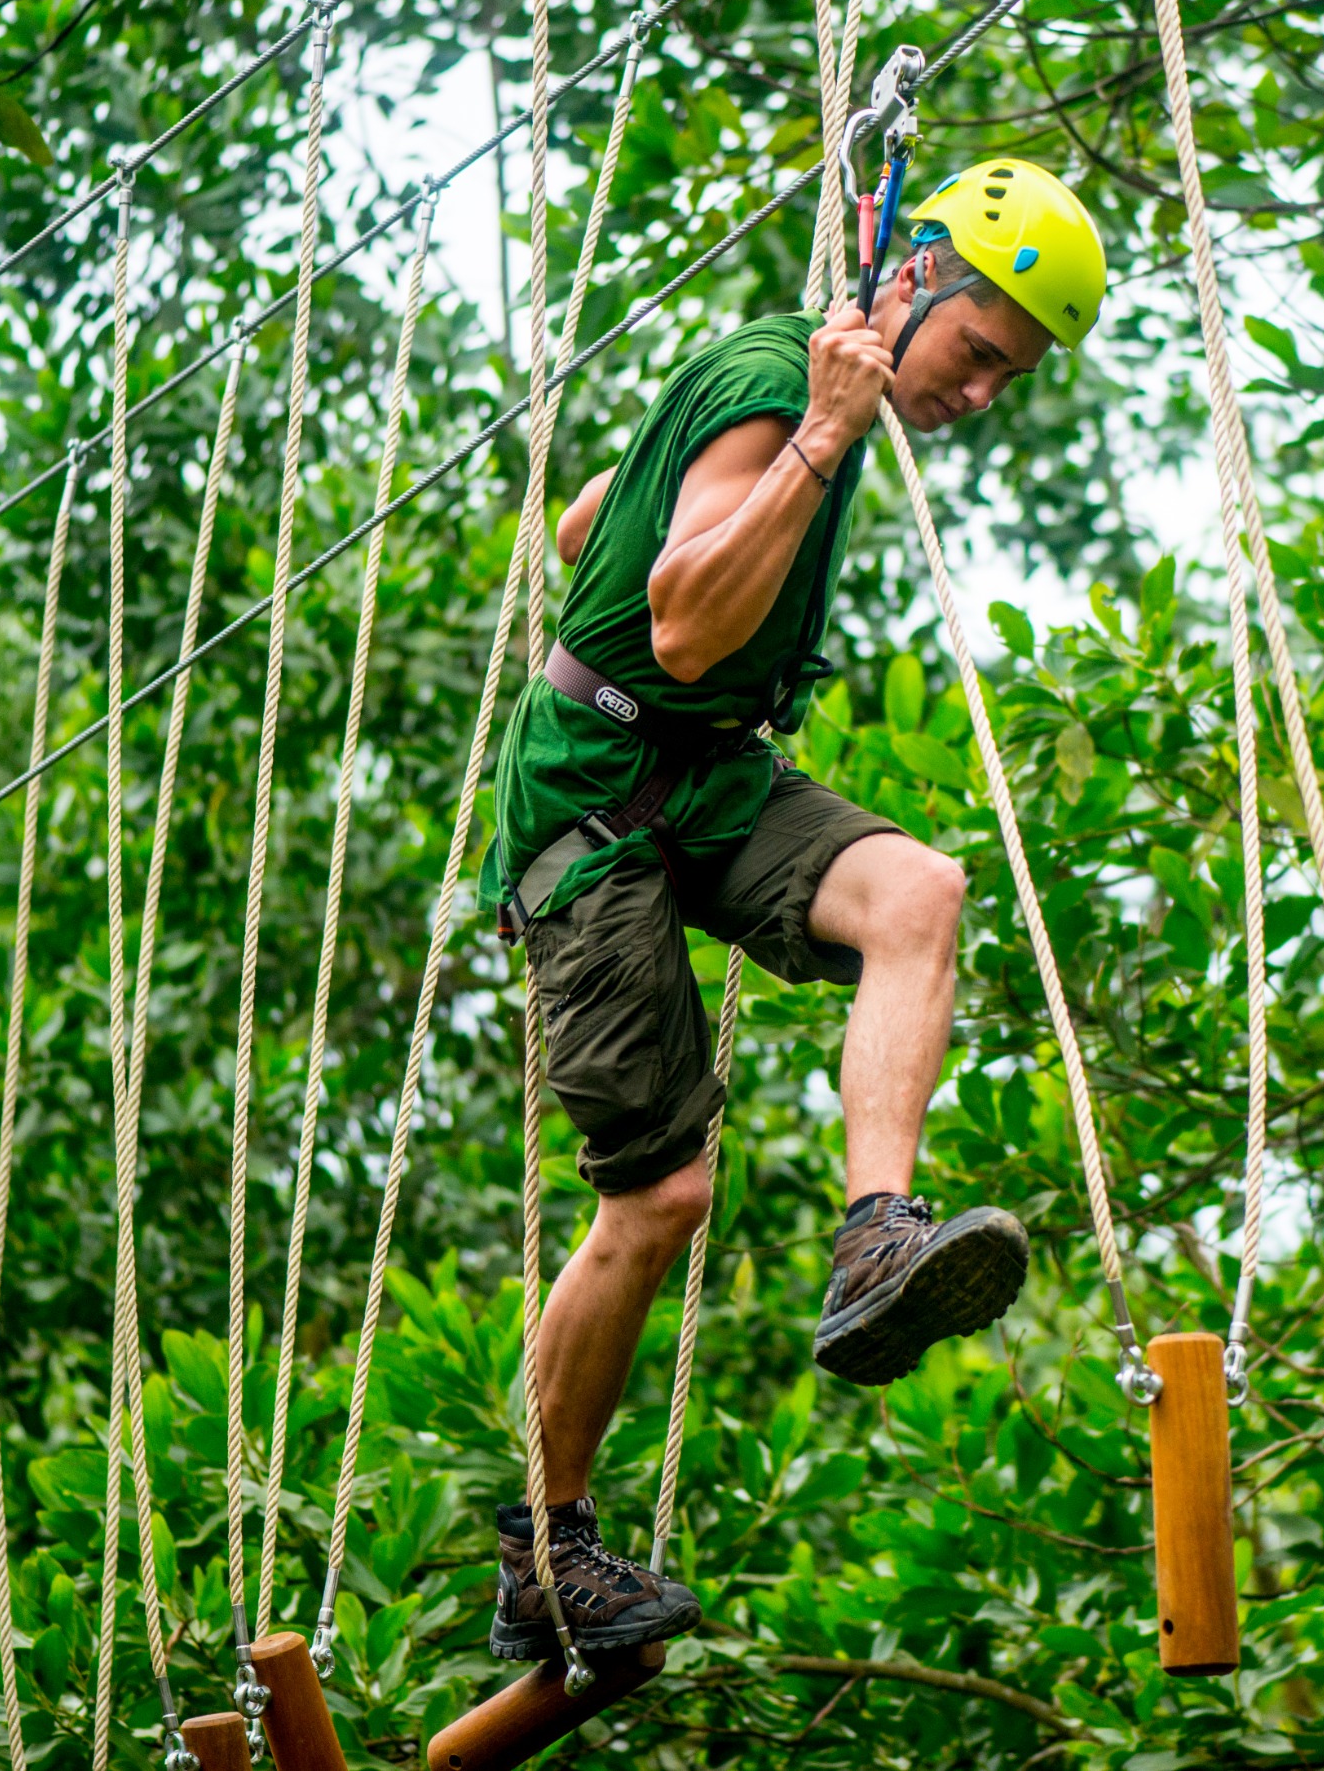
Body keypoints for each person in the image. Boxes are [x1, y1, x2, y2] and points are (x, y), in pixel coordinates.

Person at [472, 159, 1108, 1662]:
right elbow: (687, 625)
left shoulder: (779, 388)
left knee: (918, 891)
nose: (982, 392)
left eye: (1009, 376)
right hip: (596, 800)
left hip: (694, 775)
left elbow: (586, 537)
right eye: (978, 354)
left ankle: (877, 1231)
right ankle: (546, 1555)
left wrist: (680, 489)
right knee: (663, 1196)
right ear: (918, 277)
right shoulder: (792, 390)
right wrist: (815, 433)